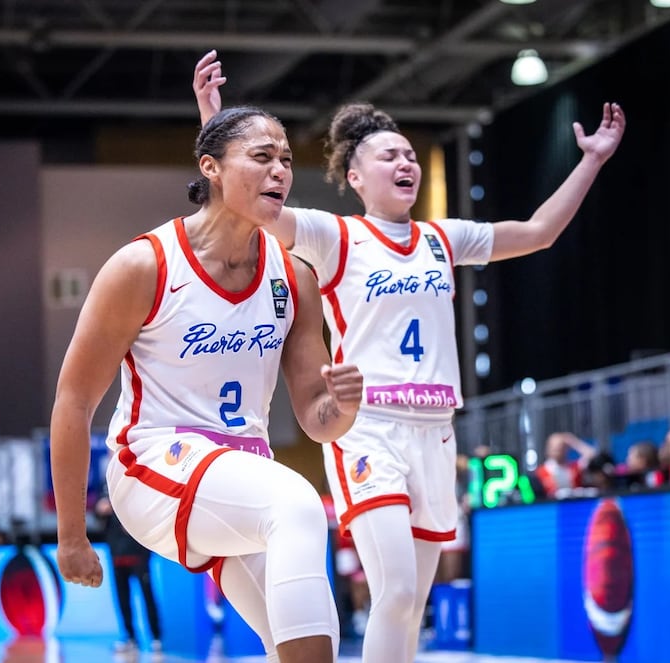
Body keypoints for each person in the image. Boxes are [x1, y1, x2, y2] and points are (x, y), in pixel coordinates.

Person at [194, 49, 626, 663]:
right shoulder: (336, 235)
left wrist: (591, 161)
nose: (406, 163)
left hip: (436, 432)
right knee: (393, 590)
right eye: (389, 156)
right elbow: (250, 204)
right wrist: (214, 119)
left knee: (411, 602)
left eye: (410, 156)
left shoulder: (442, 238)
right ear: (355, 177)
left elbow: (538, 233)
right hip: (368, 427)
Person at [49, 106, 365, 663]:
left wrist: (342, 407)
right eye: (262, 157)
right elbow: (74, 401)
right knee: (298, 504)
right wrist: (71, 534)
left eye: (286, 159)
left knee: (304, 646)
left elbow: (318, 420)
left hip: (240, 475)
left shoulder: (294, 277)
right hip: (151, 464)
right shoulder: (143, 265)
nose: (280, 171)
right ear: (210, 168)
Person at [94, 484, 162, 655]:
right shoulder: (107, 485)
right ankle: (130, 637)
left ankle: (156, 638)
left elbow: (152, 511)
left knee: (147, 596)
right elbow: (97, 514)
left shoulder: (140, 483)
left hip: (139, 552)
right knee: (123, 598)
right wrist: (100, 509)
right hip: (117, 552)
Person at [533, 431, 597, 499]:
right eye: (554, 447)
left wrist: (572, 441)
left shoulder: (574, 468)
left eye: (560, 447)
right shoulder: (541, 472)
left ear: (566, 449)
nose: (557, 450)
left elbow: (591, 454)